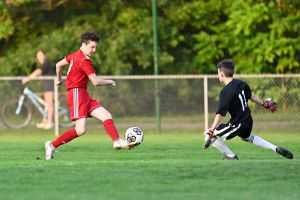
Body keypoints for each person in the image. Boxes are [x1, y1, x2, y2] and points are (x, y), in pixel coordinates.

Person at [44, 31, 132, 160]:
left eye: (95, 47)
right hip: (76, 94)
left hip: (83, 94)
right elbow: (95, 82)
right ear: (84, 45)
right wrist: (110, 81)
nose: (94, 50)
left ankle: (117, 141)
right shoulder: (84, 60)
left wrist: (58, 79)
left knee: (106, 115)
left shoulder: (74, 55)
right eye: (92, 47)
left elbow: (58, 65)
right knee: (80, 130)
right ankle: (51, 145)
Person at [203, 59, 293, 160]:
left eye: (218, 73)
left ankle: (231, 156)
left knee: (207, 135)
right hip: (248, 120)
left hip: (237, 123)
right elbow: (252, 96)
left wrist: (212, 130)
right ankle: (275, 148)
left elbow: (219, 114)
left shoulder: (225, 91)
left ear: (222, 74)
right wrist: (264, 104)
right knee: (246, 137)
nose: (217, 75)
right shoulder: (241, 84)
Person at [22, 50, 55, 130]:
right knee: (46, 104)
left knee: (49, 104)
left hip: (50, 86)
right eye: (38, 56)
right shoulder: (44, 64)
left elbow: (38, 72)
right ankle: (45, 121)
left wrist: (28, 78)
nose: (39, 57)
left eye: (40, 55)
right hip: (46, 86)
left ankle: (50, 122)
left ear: (44, 55)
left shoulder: (46, 63)